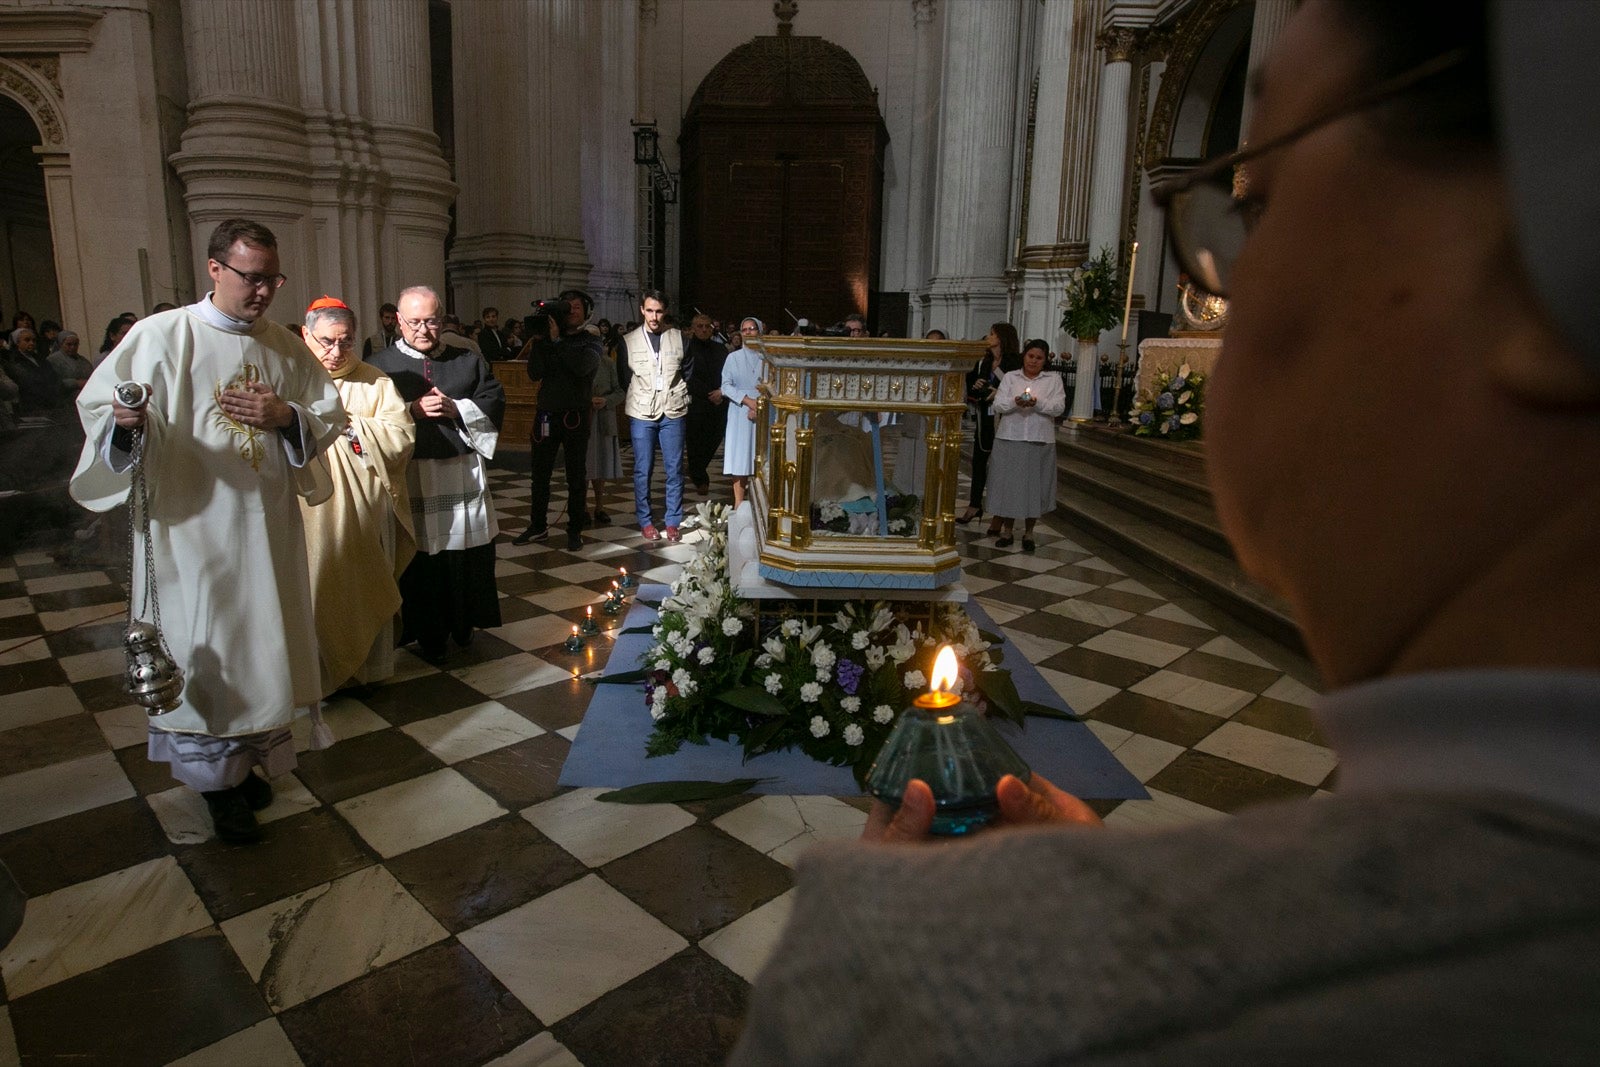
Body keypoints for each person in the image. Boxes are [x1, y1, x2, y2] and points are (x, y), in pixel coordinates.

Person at [732, 2, 1600, 1062]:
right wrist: (1129, 899)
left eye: (1262, 199)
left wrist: (933, 954)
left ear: (1549, 262)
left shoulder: (892, 981)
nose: (1214, 284)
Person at [69, 217, 345, 846]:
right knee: (207, 650)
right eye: (252, 278)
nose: (265, 292)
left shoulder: (283, 344)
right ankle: (215, 791)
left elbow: (326, 413)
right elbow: (100, 411)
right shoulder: (160, 336)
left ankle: (246, 767)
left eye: (273, 279)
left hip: (266, 530)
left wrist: (287, 415)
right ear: (216, 269)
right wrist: (125, 421)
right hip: (189, 533)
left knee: (261, 649)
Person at [367, 286, 505, 662]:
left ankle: (463, 625)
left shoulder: (468, 360)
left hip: (460, 472)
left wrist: (457, 408)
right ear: (398, 320)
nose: (423, 330)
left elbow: (494, 400)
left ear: (442, 320)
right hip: (410, 475)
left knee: (464, 551)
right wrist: (409, 410)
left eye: (431, 321)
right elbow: (367, 417)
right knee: (419, 553)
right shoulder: (380, 365)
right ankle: (424, 631)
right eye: (414, 322)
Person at [296, 296, 416, 697]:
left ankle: (367, 670)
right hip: (305, 511)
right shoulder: (291, 378)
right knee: (311, 587)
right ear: (305, 335)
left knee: (363, 584)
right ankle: (319, 676)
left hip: (365, 508)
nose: (336, 352)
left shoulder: (375, 381)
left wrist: (350, 428)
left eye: (345, 342)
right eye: (326, 342)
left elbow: (400, 438)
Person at [513, 288, 601, 550]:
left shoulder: (591, 340)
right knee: (539, 475)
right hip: (547, 414)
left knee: (576, 475)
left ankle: (575, 529)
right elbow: (534, 373)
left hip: (575, 415)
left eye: (576, 306)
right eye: (567, 306)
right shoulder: (546, 340)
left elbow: (582, 368)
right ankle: (537, 526)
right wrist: (542, 341)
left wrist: (558, 342)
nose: (571, 311)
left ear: (586, 311)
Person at [985, 338, 1064, 551]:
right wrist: (1015, 402)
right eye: (1030, 356)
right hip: (1011, 437)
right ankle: (1008, 531)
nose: (1033, 361)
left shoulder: (1053, 379)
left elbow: (1058, 408)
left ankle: (1029, 533)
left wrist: (1038, 403)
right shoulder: (1011, 377)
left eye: (1039, 358)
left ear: (1044, 360)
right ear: (1024, 356)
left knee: (1034, 488)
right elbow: (999, 403)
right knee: (1011, 487)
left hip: (1039, 439)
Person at [622, 290, 689, 541]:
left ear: (665, 311)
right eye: (649, 310)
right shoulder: (628, 340)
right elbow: (623, 377)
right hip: (641, 411)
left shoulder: (679, 338)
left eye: (659, 311)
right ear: (642, 310)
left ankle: (673, 521)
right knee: (643, 468)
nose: (654, 316)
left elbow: (688, 370)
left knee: (674, 468)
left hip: (673, 409)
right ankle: (646, 520)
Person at [957, 322, 1019, 534]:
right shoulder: (985, 361)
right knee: (979, 461)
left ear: (1002, 338)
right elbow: (975, 384)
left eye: (992, 334)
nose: (988, 337)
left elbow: (1014, 386)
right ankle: (975, 504)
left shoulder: (1013, 362)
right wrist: (977, 388)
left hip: (1005, 418)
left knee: (1001, 467)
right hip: (985, 415)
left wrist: (996, 389)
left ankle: (999, 512)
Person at [585, 321, 626, 525]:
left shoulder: (608, 362)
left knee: (600, 465)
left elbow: (620, 391)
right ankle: (581, 507)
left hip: (603, 418)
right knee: (583, 465)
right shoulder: (577, 361)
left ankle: (599, 506)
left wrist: (606, 401)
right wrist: (586, 400)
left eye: (596, 338)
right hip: (583, 419)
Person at [721, 317, 764, 508]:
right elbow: (726, 386)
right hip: (740, 411)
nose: (748, 332)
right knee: (740, 457)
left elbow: (776, 385)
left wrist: (760, 405)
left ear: (759, 331)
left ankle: (761, 502)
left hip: (764, 411)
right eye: (744, 329)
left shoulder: (770, 357)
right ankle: (738, 503)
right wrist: (748, 401)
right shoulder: (733, 358)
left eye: (752, 329)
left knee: (761, 457)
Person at [683, 312, 728, 494]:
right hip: (696, 401)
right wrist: (707, 393)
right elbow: (686, 375)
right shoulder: (686, 348)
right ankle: (700, 476)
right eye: (699, 326)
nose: (703, 329)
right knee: (694, 441)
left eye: (706, 326)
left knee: (714, 437)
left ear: (712, 328)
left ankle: (697, 469)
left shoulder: (721, 349)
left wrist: (720, 392)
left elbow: (727, 373)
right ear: (693, 329)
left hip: (719, 400)